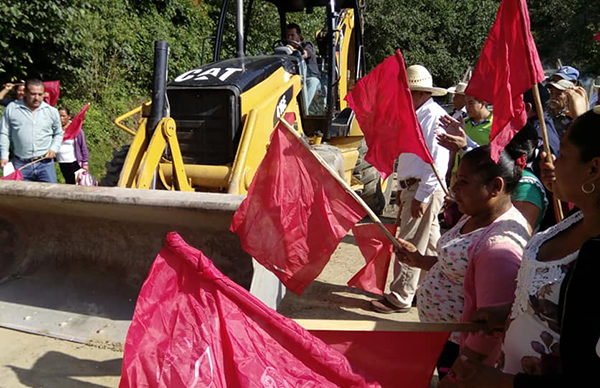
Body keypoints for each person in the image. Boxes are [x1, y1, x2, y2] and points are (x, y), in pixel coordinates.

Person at [453, 108, 600, 387]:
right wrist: (510, 311)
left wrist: (503, 383)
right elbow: (558, 304)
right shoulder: (578, 219)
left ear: (593, 169)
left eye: (564, 154)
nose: (552, 162)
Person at [393, 145, 530, 380]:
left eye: (463, 181)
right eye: (456, 177)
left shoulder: (500, 248)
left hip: (461, 350)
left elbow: (488, 329)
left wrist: (461, 371)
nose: (454, 187)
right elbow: (459, 267)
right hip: (445, 338)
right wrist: (419, 260)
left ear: (495, 187)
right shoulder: (475, 214)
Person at [370, 64, 449, 314]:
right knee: (430, 242)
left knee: (410, 241)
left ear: (422, 93)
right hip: (415, 187)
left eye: (410, 91)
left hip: (422, 187)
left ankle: (401, 295)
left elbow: (436, 160)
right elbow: (410, 157)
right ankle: (434, 286)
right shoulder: (418, 116)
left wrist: (421, 195)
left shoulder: (432, 117)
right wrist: (401, 187)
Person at [0, 79, 63, 182]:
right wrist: (4, 156)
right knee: (20, 196)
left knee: (50, 195)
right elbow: (4, 133)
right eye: (33, 94)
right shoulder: (12, 109)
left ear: (44, 94)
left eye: (40, 94)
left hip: (45, 164)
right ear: (25, 92)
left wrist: (53, 148)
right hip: (21, 164)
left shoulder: (51, 111)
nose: (37, 98)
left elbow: (58, 133)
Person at [286, 23, 320, 109]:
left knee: (313, 82)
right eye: (288, 35)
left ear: (299, 36)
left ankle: (302, 111)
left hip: (310, 78)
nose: (290, 38)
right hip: (294, 79)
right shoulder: (285, 49)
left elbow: (305, 54)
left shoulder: (307, 45)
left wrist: (293, 50)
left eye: (292, 35)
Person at [57, 107, 90, 184]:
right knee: (68, 182)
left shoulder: (76, 130)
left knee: (78, 183)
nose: (61, 118)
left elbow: (83, 146)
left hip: (74, 162)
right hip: (62, 162)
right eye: (59, 116)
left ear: (69, 116)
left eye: (63, 116)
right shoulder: (56, 129)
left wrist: (85, 162)